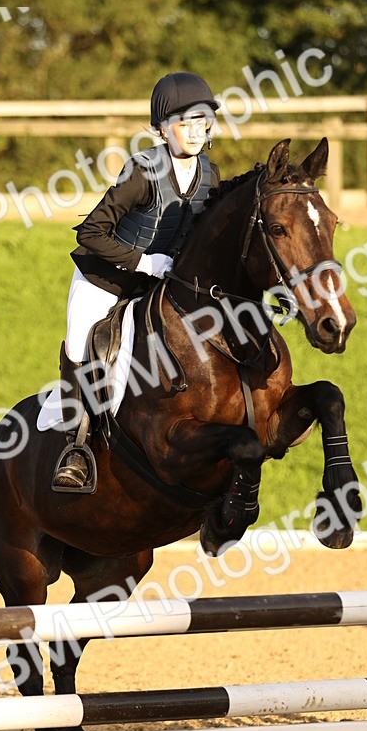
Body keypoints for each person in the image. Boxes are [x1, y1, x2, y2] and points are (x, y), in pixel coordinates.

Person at [52, 70, 222, 492]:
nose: (195, 130)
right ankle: (75, 447)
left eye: (202, 120)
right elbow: (90, 233)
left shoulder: (211, 176)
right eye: (184, 121)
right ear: (162, 128)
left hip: (159, 287)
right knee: (80, 344)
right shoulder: (143, 172)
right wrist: (144, 263)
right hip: (104, 280)